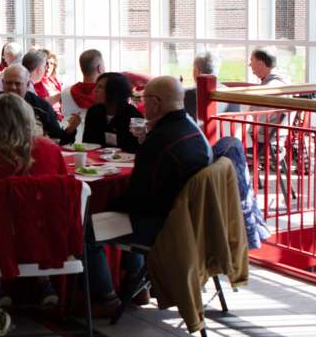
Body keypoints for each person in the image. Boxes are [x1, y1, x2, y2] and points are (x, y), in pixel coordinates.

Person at [89, 76, 213, 315]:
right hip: (193, 220)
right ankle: (137, 286)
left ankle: (106, 298)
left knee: (89, 229)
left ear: (155, 103)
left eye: (143, 99)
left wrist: (106, 207)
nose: (141, 105)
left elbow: (139, 198)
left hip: (164, 226)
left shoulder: (160, 140)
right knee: (122, 214)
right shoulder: (191, 129)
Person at [0, 93, 67, 306]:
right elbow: (64, 196)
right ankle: (44, 282)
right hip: (51, 236)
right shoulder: (52, 150)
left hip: (10, 239)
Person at [0, 65, 80, 145]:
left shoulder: (41, 107)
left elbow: (59, 138)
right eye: (8, 83)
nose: (12, 87)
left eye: (17, 83)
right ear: (2, 84)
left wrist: (70, 130)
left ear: (27, 85)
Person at [82, 72, 143, 153]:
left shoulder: (134, 116)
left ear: (114, 91)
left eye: (100, 87)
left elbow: (137, 148)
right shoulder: (93, 112)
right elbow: (87, 144)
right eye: (96, 86)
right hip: (96, 161)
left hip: (125, 162)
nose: (95, 90)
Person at [184, 51, 239, 120]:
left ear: (196, 71)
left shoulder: (191, 95)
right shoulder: (232, 95)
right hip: (230, 130)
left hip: (201, 130)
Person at [63, 49, 105, 115]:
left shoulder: (65, 93)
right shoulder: (106, 94)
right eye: (104, 65)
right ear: (99, 68)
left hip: (71, 125)